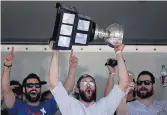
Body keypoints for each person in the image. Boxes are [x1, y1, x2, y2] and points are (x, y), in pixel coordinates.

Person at [48, 41, 129, 115]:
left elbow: (124, 84)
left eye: (91, 83)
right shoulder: (71, 105)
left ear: (95, 88)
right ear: (77, 89)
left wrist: (118, 52)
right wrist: (55, 51)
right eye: (84, 83)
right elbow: (53, 84)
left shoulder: (104, 106)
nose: (88, 85)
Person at [2, 47, 60, 115]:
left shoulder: (49, 106)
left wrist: (55, 52)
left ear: (40, 89)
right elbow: (6, 89)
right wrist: (7, 66)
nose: (34, 88)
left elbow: (66, 90)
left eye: (37, 85)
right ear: (24, 89)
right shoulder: (17, 106)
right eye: (30, 85)